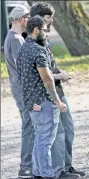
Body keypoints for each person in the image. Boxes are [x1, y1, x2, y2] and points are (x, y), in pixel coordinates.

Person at [29, 2, 85, 177]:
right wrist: (58, 76)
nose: (51, 22)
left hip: (58, 90)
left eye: (51, 18)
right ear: (38, 20)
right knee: (57, 133)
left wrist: (60, 72)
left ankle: (67, 166)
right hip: (47, 95)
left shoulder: (45, 39)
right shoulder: (34, 41)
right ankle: (58, 170)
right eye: (48, 19)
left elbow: (49, 66)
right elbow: (38, 74)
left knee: (68, 129)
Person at [16, 15, 67, 179]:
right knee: (45, 141)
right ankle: (46, 174)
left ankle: (38, 173)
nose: (47, 34)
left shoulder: (23, 49)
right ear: (36, 30)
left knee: (39, 138)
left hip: (31, 103)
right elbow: (46, 78)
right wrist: (57, 101)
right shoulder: (38, 50)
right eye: (45, 30)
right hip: (45, 102)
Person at [3, 6, 35, 179]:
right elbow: (23, 68)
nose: (30, 20)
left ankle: (30, 166)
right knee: (29, 127)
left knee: (30, 126)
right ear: (21, 19)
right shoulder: (15, 39)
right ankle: (26, 168)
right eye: (28, 17)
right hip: (23, 91)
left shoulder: (14, 38)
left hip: (21, 89)